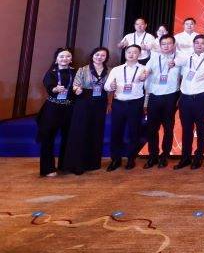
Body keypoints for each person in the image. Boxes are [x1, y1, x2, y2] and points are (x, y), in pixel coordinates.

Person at [62, 47, 110, 175]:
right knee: (80, 131)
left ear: (106, 58)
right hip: (84, 101)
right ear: (92, 55)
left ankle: (92, 163)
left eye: (103, 55)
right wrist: (76, 89)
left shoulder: (110, 71)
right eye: (97, 54)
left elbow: (110, 88)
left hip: (100, 102)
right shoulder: (83, 69)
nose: (99, 57)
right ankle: (77, 164)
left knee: (96, 131)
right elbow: (75, 85)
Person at [174, 34, 204, 170]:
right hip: (185, 98)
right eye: (197, 42)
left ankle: (198, 158)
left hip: (201, 98)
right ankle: (185, 158)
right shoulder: (186, 57)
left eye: (202, 43)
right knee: (186, 129)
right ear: (193, 44)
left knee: (201, 128)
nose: (199, 45)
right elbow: (175, 62)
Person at [106, 45, 148, 171]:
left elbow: (148, 88)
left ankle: (131, 159)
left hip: (136, 103)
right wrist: (111, 86)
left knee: (134, 132)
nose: (131, 54)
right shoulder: (116, 69)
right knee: (116, 131)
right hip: (119, 103)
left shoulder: (144, 69)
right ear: (125, 53)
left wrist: (143, 80)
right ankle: (115, 159)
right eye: (129, 52)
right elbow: (107, 86)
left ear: (139, 55)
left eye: (135, 52)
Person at [36, 48, 75, 177]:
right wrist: (55, 89)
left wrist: (78, 89)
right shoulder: (51, 73)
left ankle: (65, 165)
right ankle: (48, 168)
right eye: (61, 56)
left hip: (69, 108)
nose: (65, 59)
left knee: (68, 138)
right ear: (56, 59)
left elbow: (78, 87)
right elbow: (49, 86)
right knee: (48, 138)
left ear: (71, 59)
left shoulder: (75, 72)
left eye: (67, 56)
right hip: (52, 108)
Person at [143, 35, 181, 169]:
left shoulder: (179, 59)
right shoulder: (154, 59)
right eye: (163, 44)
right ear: (160, 45)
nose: (166, 46)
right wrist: (144, 74)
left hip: (171, 97)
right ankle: (152, 156)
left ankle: (164, 155)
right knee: (152, 128)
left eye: (169, 43)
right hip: (154, 96)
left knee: (168, 128)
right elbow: (146, 71)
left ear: (174, 45)